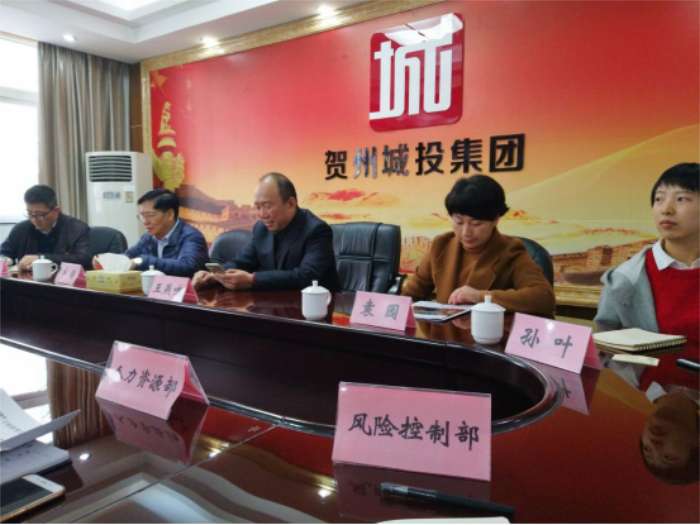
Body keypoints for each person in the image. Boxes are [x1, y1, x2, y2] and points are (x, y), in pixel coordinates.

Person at [401, 176, 556, 317]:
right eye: (459, 221)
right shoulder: (441, 245)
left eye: (476, 223)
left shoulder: (510, 251)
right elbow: (411, 295)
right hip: (444, 336)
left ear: (495, 220)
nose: (466, 232)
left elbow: (544, 298)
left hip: (488, 336)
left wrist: (480, 297)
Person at [596, 163, 700, 343]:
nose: (666, 209)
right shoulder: (623, 279)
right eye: (659, 199)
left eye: (681, 198)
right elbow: (607, 349)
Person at [193, 173, 340, 292]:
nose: (262, 214)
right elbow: (243, 261)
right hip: (274, 308)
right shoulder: (261, 228)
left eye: (267, 206)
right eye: (258, 207)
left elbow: (306, 276)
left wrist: (253, 280)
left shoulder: (316, 230)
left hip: (317, 310)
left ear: (290, 204)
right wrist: (214, 275)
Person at [96, 189, 208, 278]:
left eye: (150, 215)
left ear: (169, 214)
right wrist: (107, 261)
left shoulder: (191, 236)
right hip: (156, 294)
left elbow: (188, 267)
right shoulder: (148, 237)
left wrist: (141, 261)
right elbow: (128, 257)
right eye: (142, 216)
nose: (145, 222)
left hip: (189, 296)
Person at [0, 185, 91, 271]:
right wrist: (5, 259)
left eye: (40, 214)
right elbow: (5, 251)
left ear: (56, 210)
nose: (34, 219)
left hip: (62, 280)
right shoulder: (21, 229)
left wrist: (42, 259)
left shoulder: (77, 228)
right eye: (30, 213)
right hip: (26, 280)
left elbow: (83, 259)